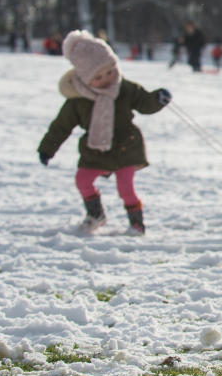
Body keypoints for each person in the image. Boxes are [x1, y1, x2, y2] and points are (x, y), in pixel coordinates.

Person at [37, 30, 171, 235]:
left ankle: (136, 223)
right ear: (84, 78)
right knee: (82, 180)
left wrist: (158, 98)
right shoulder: (77, 100)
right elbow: (61, 126)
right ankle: (96, 214)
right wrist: (47, 149)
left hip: (126, 146)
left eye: (110, 71)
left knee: (125, 188)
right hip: (95, 150)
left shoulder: (124, 88)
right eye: (98, 77)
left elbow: (145, 103)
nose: (108, 79)